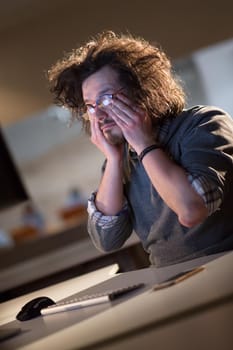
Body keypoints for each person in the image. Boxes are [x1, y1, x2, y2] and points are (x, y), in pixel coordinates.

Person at [48, 30, 233, 267]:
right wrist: (113, 162)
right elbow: (107, 240)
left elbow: (191, 211)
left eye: (106, 99)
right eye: (91, 106)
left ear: (143, 90)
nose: (100, 114)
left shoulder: (204, 123)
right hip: (170, 280)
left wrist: (144, 144)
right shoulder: (120, 157)